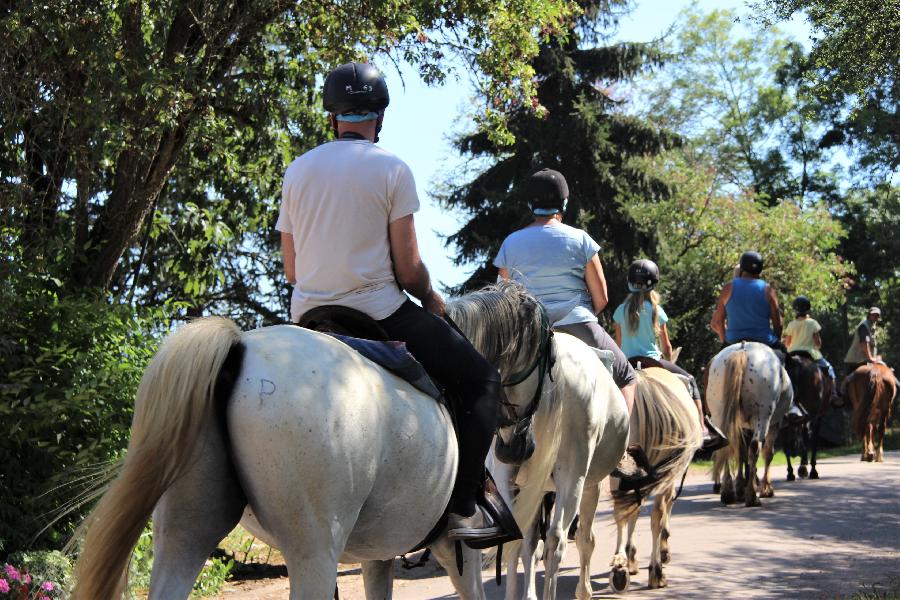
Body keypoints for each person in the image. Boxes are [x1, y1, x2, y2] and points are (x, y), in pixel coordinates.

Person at [275, 61, 503, 543]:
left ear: (331, 116)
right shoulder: (392, 168)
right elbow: (408, 268)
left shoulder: (297, 171)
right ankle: (462, 505)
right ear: (379, 116)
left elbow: (292, 270)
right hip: (378, 311)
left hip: (309, 317)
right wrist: (431, 297)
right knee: (482, 379)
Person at [494, 168, 649, 482]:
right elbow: (601, 297)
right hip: (577, 323)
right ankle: (618, 451)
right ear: (563, 202)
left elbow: (504, 296)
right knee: (627, 376)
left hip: (528, 332)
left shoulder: (511, 243)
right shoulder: (581, 240)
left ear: (530, 203)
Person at [612, 259, 727, 452]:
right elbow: (666, 346)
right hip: (653, 361)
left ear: (630, 282)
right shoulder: (656, 310)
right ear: (653, 283)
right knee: (690, 381)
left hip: (628, 364)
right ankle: (702, 429)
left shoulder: (620, 311)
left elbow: (618, 344)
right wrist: (668, 358)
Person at [709, 251, 806, 421]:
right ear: (760, 269)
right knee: (791, 364)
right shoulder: (767, 289)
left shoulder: (729, 287)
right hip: (764, 341)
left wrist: (724, 338)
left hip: (732, 341)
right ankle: (793, 406)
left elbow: (717, 321)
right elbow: (778, 322)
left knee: (711, 367)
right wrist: (776, 338)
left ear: (742, 266)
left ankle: (708, 408)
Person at [782, 295, 838, 402]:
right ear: (808, 308)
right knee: (830, 369)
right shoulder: (813, 323)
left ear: (795, 309)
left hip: (793, 353)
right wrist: (815, 345)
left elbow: (787, 343)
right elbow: (818, 343)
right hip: (811, 353)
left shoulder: (791, 324)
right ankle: (834, 393)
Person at [843, 307, 883, 379]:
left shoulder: (872, 326)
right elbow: (864, 343)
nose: (875, 317)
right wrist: (871, 358)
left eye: (877, 315)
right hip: (855, 361)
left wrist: (875, 357)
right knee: (846, 383)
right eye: (873, 315)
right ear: (869, 315)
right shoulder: (864, 326)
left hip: (867, 360)